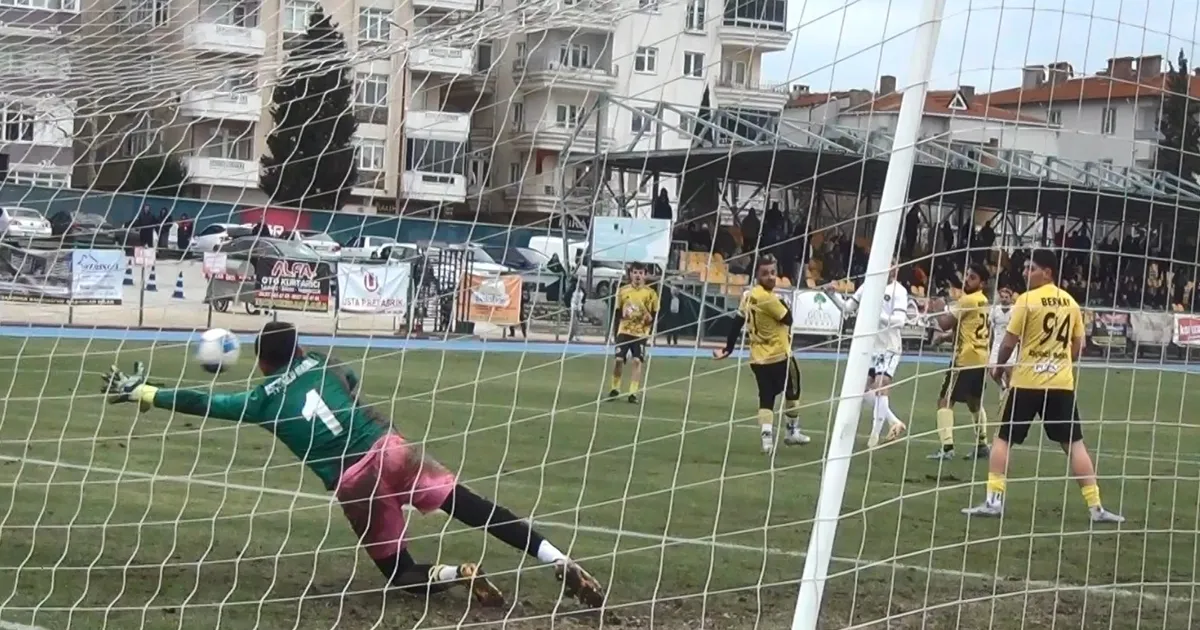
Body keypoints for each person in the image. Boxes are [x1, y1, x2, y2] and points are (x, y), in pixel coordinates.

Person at [100, 321, 607, 606]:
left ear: (259, 362)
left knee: (398, 573)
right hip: (390, 448)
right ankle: (555, 558)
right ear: (299, 349)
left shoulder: (259, 401)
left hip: (353, 483)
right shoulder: (323, 362)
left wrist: (146, 391)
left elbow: (204, 403)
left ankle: (458, 571)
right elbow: (351, 380)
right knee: (469, 503)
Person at [962, 250, 1124, 523]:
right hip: (1060, 383)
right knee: (1074, 444)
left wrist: (998, 367)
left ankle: (994, 501)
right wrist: (1059, 362)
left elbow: (1009, 342)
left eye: (1031, 268)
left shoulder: (1027, 300)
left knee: (1003, 439)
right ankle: (1096, 507)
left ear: (1047, 272)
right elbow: (1078, 346)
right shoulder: (1071, 302)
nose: (1026, 273)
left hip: (1027, 382)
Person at [713, 255, 810, 454]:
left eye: (773, 272)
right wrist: (782, 302)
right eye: (765, 273)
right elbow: (788, 319)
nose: (771, 277)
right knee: (793, 392)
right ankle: (792, 432)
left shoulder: (748, 295)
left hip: (757, 358)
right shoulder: (769, 299)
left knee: (766, 398)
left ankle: (767, 440)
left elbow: (737, 322)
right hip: (780, 355)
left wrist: (728, 348)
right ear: (756, 275)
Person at [823, 261, 915, 448]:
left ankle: (874, 436)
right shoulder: (867, 286)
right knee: (860, 390)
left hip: (889, 346)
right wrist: (832, 294)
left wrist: (873, 315)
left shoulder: (899, 291)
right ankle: (894, 422)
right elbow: (848, 308)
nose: (891, 269)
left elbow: (899, 321)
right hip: (869, 346)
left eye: (894, 265)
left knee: (881, 384)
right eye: (888, 264)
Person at [925, 263, 992, 461]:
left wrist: (937, 309)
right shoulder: (984, 301)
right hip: (981, 359)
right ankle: (982, 444)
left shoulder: (967, 300)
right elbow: (965, 330)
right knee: (974, 403)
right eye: (967, 276)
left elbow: (945, 323)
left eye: (972, 277)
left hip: (965, 359)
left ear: (982, 282)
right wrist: (945, 339)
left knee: (945, 401)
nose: (966, 280)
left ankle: (947, 448)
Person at [609, 262, 659, 403]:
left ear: (645, 275)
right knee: (618, 360)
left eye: (641, 273)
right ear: (630, 274)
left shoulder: (651, 294)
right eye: (635, 272)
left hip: (641, 333)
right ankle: (615, 388)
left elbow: (654, 316)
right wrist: (615, 332)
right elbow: (617, 314)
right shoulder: (623, 291)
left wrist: (648, 320)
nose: (638, 275)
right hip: (624, 331)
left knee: (637, 361)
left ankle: (633, 393)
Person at [988, 286, 1017, 387]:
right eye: (1002, 297)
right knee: (993, 371)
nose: (1004, 299)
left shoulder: (1015, 310)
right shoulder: (995, 310)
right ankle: (1003, 387)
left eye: (1006, 297)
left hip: (1010, 342)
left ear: (1010, 298)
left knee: (1009, 371)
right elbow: (990, 327)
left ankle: (1008, 391)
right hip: (997, 343)